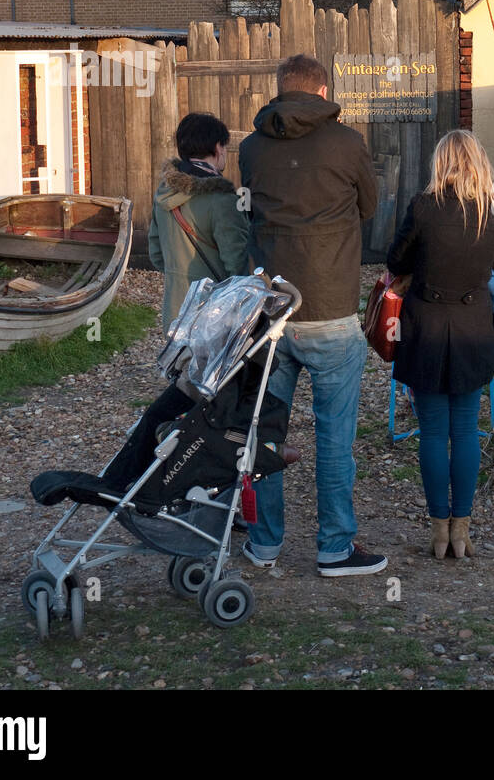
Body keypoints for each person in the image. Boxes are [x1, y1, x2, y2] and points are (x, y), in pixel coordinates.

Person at [238, 53, 386, 577]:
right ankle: (334, 547)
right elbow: (370, 208)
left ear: (281, 90)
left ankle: (263, 544)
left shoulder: (251, 147)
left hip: (272, 311)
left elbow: (250, 212)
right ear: (324, 92)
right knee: (335, 437)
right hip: (331, 308)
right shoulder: (347, 143)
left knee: (265, 433)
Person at [387, 130, 494, 560]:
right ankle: (463, 530)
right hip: (473, 328)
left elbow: (395, 261)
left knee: (433, 432)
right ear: (479, 162)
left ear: (441, 162)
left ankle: (439, 532)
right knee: (465, 431)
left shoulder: (423, 207)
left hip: (425, 327)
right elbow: (493, 269)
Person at [147, 112, 250, 330]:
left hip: (174, 313)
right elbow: (237, 264)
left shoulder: (163, 193)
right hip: (213, 317)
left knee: (181, 364)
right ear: (217, 148)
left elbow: (156, 254)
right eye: (224, 147)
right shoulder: (222, 200)